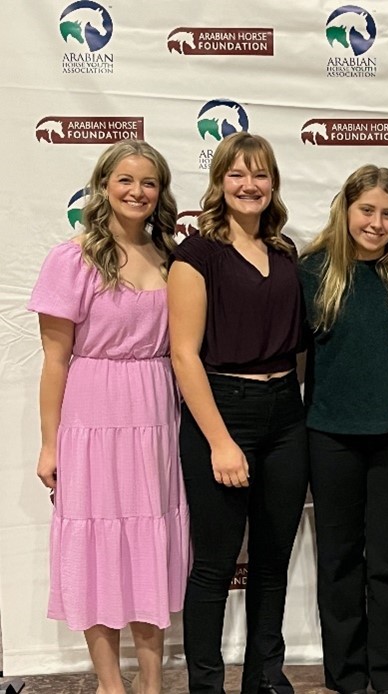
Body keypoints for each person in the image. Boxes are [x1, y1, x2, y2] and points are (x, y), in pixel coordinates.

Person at [29, 140, 189, 694]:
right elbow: (54, 361)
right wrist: (50, 445)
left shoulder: (173, 257)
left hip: (154, 409)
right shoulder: (70, 259)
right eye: (125, 180)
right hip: (91, 413)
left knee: (151, 540)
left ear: (160, 193)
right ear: (103, 186)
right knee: (94, 545)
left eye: (148, 183)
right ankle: (109, 684)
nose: (137, 192)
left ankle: (150, 680)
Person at [168, 132, 309, 694]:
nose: (248, 185)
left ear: (272, 182)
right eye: (236, 174)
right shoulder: (196, 254)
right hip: (221, 409)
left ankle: (265, 677)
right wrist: (221, 442)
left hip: (285, 413)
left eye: (259, 174)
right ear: (219, 182)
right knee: (216, 563)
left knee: (274, 559)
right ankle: (206, 683)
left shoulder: (285, 252)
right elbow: (183, 353)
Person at [298, 165, 388, 694]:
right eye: (367, 210)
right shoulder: (313, 270)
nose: (376, 223)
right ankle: (347, 677)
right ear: (346, 210)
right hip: (329, 435)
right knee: (338, 561)